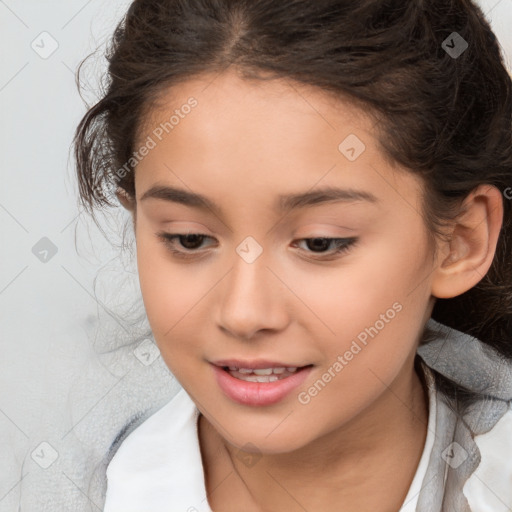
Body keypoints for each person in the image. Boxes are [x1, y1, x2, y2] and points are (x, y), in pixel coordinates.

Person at [73, 0, 512, 510]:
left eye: (320, 243)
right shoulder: (56, 486)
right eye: (189, 239)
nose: (244, 313)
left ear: (460, 241)